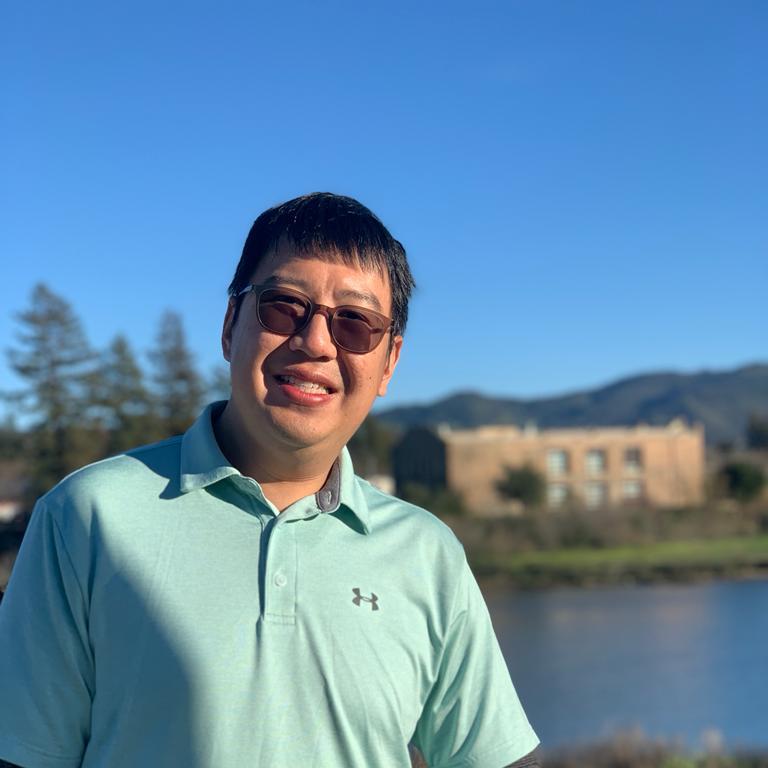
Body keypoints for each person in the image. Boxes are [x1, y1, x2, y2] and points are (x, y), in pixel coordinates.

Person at [0, 193, 540, 768]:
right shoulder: (85, 517)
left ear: (389, 363)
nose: (315, 342)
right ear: (231, 325)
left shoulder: (427, 553)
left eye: (355, 324)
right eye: (284, 306)